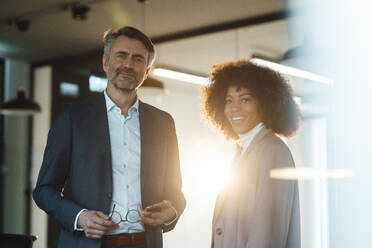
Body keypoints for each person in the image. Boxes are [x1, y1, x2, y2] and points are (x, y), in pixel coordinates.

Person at [33, 26, 186, 248]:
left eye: (138, 59)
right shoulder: (72, 118)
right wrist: (80, 217)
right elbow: (44, 190)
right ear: (105, 62)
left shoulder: (163, 123)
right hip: (87, 243)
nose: (128, 65)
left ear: (147, 69)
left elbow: (175, 191)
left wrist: (171, 211)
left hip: (145, 242)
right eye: (121, 56)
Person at [201, 60, 301, 248]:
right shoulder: (244, 151)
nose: (234, 108)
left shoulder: (273, 152)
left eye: (245, 99)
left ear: (265, 103)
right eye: (228, 100)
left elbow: (267, 235)